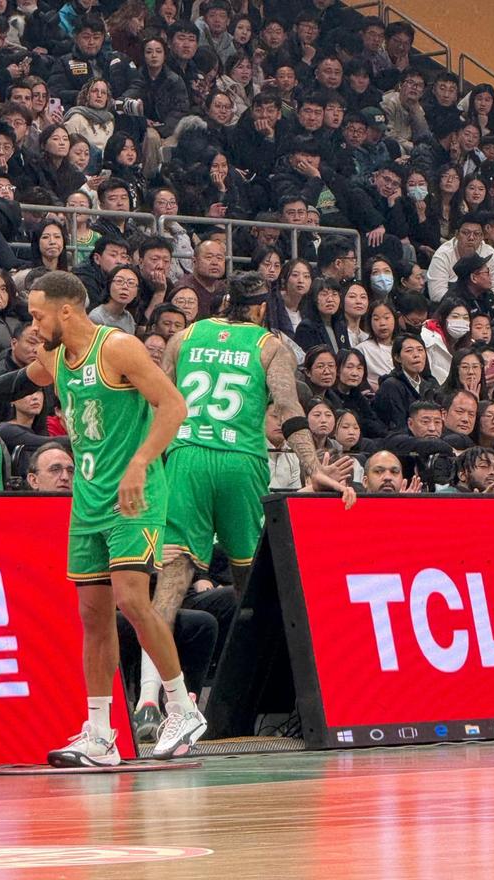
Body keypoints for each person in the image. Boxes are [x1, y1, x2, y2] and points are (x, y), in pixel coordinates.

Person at [0, 270, 205, 764]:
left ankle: (182, 708)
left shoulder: (118, 348)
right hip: (88, 497)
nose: (33, 325)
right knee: (92, 616)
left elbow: (173, 406)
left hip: (134, 494)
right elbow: (15, 382)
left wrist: (140, 463)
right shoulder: (55, 356)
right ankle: (100, 734)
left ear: (66, 310)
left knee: (131, 599)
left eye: (39, 316)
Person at [134, 272, 355, 733]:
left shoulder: (185, 337)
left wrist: (143, 464)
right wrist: (312, 466)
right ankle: (244, 704)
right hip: (241, 461)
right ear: (260, 308)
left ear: (225, 302)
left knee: (170, 583)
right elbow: (289, 410)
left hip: (186, 458)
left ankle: (149, 702)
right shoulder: (270, 345)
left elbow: (156, 403)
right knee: (248, 587)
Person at [427, 212, 494, 303]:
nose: (471, 238)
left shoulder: (491, 254)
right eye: (466, 233)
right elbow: (436, 293)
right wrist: (464, 306)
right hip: (452, 306)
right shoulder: (443, 254)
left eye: (476, 234)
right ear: (457, 235)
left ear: (482, 237)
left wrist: (483, 304)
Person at [372, 333, 437, 431]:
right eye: (409, 351)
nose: (416, 355)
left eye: (420, 350)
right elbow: (398, 425)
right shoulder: (391, 385)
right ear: (397, 357)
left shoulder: (430, 384)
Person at [356, 299, 396, 390]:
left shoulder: (403, 347)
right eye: (376, 319)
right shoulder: (362, 349)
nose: (382, 323)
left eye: (387, 318)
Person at [88, 264, 140, 334]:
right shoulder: (97, 317)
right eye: (119, 281)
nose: (125, 287)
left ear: (137, 292)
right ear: (109, 286)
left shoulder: (129, 318)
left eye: (131, 283)